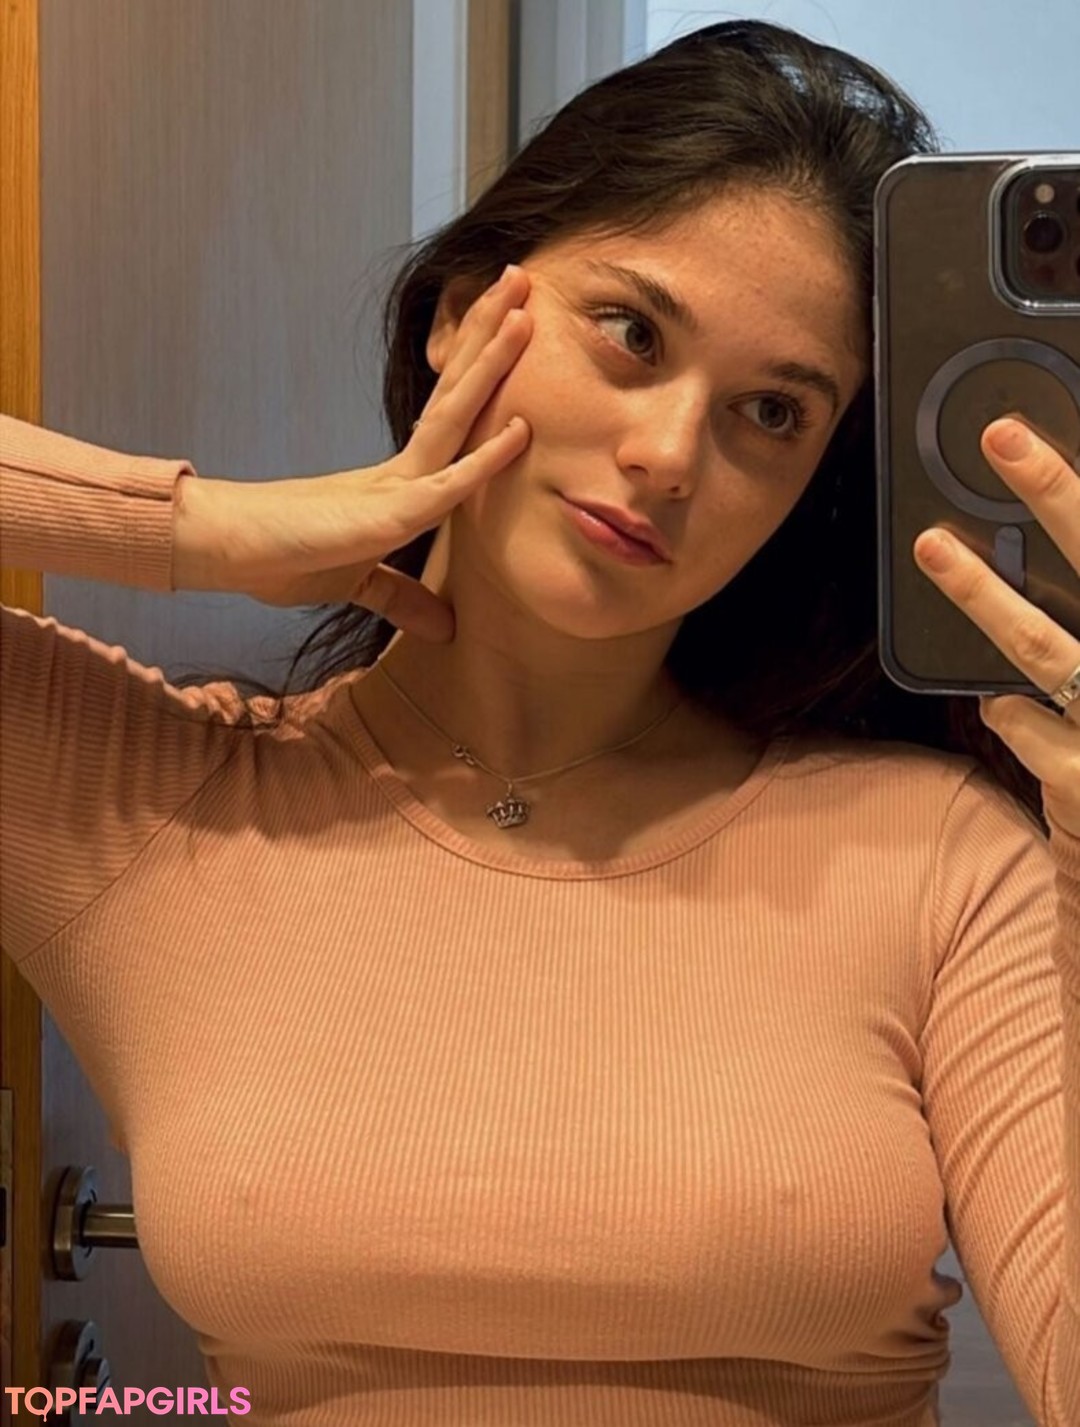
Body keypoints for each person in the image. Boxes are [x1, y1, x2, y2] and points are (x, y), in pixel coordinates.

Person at [1, 18, 1077, 1427]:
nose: (669, 455)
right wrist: (199, 527)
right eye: (632, 333)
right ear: (462, 314)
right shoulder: (147, 801)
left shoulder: (944, 861)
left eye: (771, 411)